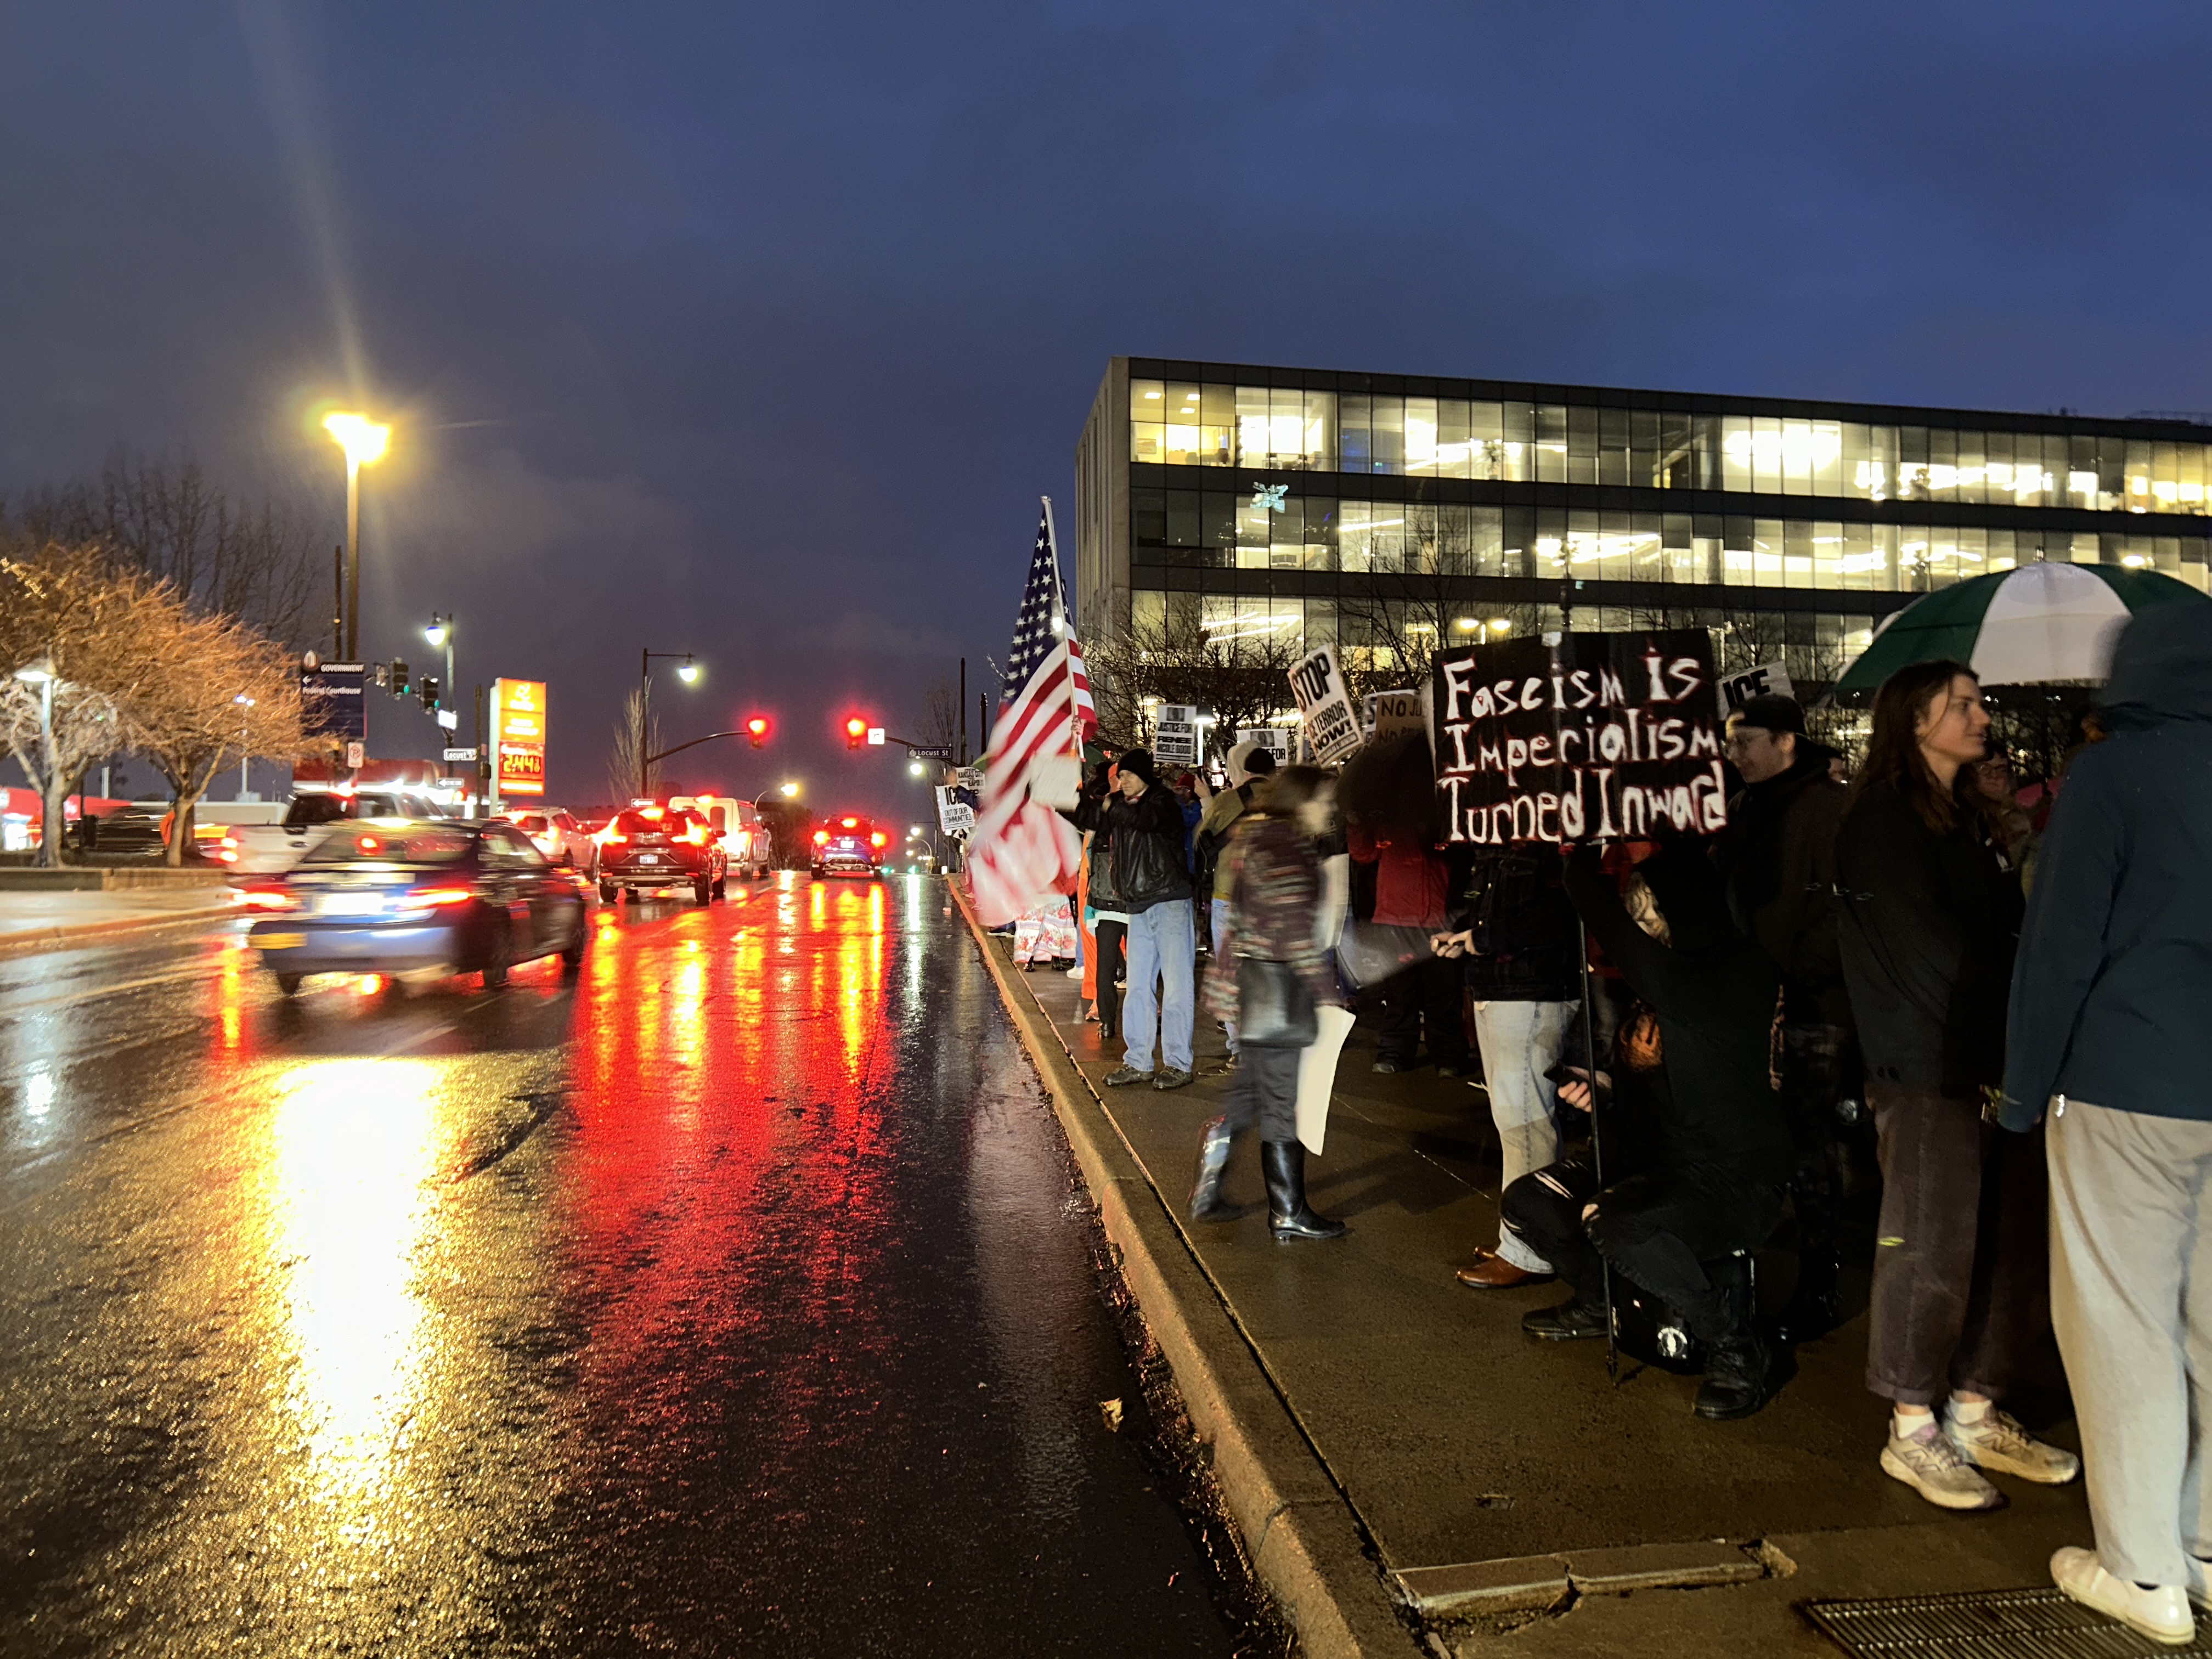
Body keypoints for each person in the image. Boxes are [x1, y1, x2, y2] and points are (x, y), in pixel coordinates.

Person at [2000, 608, 2212, 1647]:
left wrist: (2019, 1087)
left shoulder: (2114, 775)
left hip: (2125, 1076)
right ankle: (2205, 1542)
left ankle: (2141, 1571)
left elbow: (2059, 948)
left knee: (2121, 1323)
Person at [1835, 658, 2078, 1511]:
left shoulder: (1970, 821)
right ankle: (1913, 1426)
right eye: (1964, 704)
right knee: (1931, 1245)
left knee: (2009, 1244)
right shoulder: (1881, 825)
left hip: (1995, 1060)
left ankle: (1976, 1405)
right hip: (1931, 1066)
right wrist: (2005, 1034)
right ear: (1915, 721)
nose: (1983, 717)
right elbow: (1928, 957)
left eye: (1980, 703)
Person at [1506, 839, 1796, 1418]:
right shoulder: (1671, 982)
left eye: (1649, 912)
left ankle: (1735, 1344)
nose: (1642, 926)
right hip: (1662, 1161)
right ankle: (1602, 1301)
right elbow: (1659, 1080)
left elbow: (1626, 948)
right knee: (1529, 1202)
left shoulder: (1734, 972)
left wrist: (1579, 869)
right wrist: (1605, 1085)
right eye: (1636, 911)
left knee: (1617, 1224)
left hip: (1732, 1180)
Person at [1711, 693, 1854, 1344]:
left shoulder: (1827, 808)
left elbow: (1841, 912)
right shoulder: (1747, 809)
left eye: (1747, 741)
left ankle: (1820, 1279)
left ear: (1788, 743)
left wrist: (1797, 964)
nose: (1734, 754)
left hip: (1809, 1005)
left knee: (1809, 1146)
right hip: (1752, 1002)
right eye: (1731, 742)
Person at [1191, 764, 1346, 1241]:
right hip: (1278, 987)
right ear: (1302, 801)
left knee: (1249, 1091)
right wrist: (1328, 992)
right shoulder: (1288, 845)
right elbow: (1295, 930)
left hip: (1250, 983)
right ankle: (1287, 1212)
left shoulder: (1254, 836)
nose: (1331, 811)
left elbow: (1243, 917)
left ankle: (1211, 1179)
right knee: (1281, 1101)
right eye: (1324, 801)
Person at [1432, 847, 1582, 1288]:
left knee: (1525, 1122)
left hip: (1531, 991)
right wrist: (1466, 935)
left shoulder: (1544, 844)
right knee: (1514, 1118)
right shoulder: (1497, 845)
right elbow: (1493, 912)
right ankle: (1523, 1233)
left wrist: (1480, 939)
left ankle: (1529, 1249)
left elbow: (1556, 919)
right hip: (1503, 988)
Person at [1071, 748, 1197, 1090]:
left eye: (1126, 774)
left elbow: (1145, 820)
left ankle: (1177, 1063)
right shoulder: (1121, 805)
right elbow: (1091, 817)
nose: (1121, 780)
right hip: (1138, 907)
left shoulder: (1162, 802)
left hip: (1170, 903)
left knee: (1176, 988)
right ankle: (1138, 1060)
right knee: (1139, 987)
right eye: (1120, 775)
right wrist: (1061, 799)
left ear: (1143, 775)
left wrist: (1112, 805)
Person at [1194, 742, 1279, 1064]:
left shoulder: (1228, 800)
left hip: (1228, 898)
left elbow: (1201, 840)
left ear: (1244, 772)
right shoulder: (1288, 804)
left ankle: (1240, 1049)